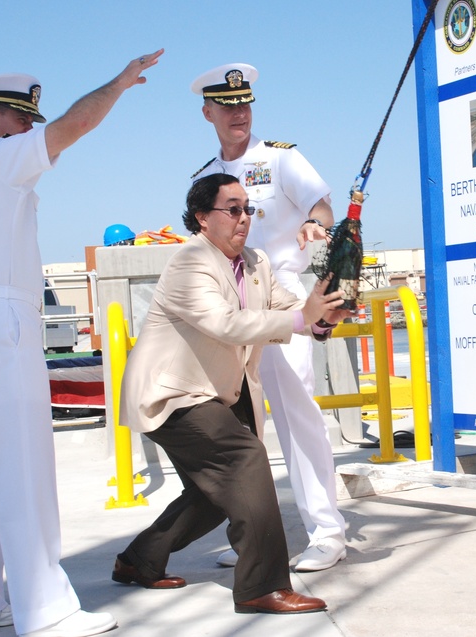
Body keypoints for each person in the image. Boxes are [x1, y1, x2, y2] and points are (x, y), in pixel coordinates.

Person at [0, 49, 163, 637]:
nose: (32, 133)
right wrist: (118, 83)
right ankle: (45, 610)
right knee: (25, 472)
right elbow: (74, 126)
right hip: (3, 320)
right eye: (22, 121)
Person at [113, 173, 350, 613]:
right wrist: (302, 321)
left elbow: (288, 310)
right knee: (244, 460)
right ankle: (262, 586)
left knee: (213, 495)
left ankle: (138, 561)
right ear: (203, 218)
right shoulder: (190, 262)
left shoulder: (257, 262)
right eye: (233, 209)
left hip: (219, 391)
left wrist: (322, 316)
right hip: (173, 393)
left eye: (248, 209)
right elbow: (224, 323)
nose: (244, 218)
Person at [190, 63, 347, 572]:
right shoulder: (204, 180)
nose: (239, 114)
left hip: (280, 295)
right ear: (207, 112)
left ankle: (327, 531)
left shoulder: (280, 159)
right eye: (227, 106)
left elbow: (322, 206)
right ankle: (251, 537)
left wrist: (310, 224)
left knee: (297, 412)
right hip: (230, 307)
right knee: (240, 426)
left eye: (245, 104)